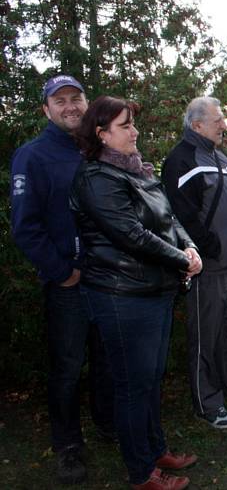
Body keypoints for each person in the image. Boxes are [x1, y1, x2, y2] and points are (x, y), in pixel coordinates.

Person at [71, 96, 200, 490]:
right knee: (133, 385)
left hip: (154, 290)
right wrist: (181, 258)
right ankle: (142, 472)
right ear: (101, 133)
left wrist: (189, 245)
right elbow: (130, 234)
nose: (135, 131)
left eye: (132, 124)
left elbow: (169, 216)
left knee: (151, 378)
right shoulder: (95, 178)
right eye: (125, 125)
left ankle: (155, 448)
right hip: (121, 295)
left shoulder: (136, 170)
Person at [10, 75, 114, 485]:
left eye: (77, 99)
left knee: (107, 360)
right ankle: (68, 445)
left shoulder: (97, 149)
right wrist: (62, 272)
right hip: (69, 283)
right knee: (68, 368)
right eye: (61, 101)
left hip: (107, 278)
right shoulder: (32, 156)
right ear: (47, 110)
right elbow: (25, 227)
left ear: (87, 104)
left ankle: (107, 426)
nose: (70, 106)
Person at [161, 97, 227, 430]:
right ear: (197, 125)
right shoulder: (181, 159)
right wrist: (210, 247)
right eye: (218, 120)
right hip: (211, 266)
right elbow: (181, 215)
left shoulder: (218, 154)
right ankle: (207, 402)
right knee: (206, 334)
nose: (224, 124)